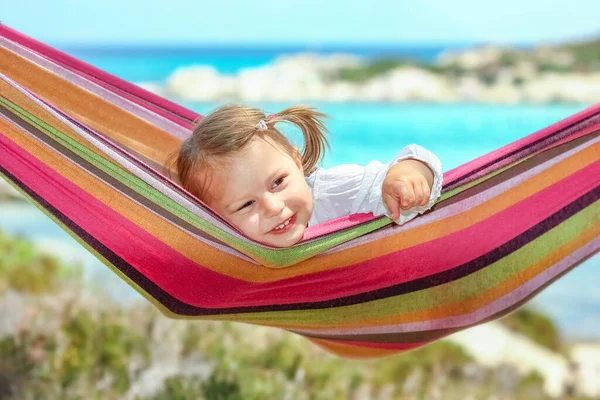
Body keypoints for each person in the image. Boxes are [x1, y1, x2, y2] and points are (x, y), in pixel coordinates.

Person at [172, 105, 443, 248]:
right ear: (214, 218)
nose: (274, 207)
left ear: (298, 162)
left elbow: (396, 175)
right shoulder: (231, 248)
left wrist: (409, 172)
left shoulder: (333, 193)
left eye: (278, 182)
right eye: (246, 204)